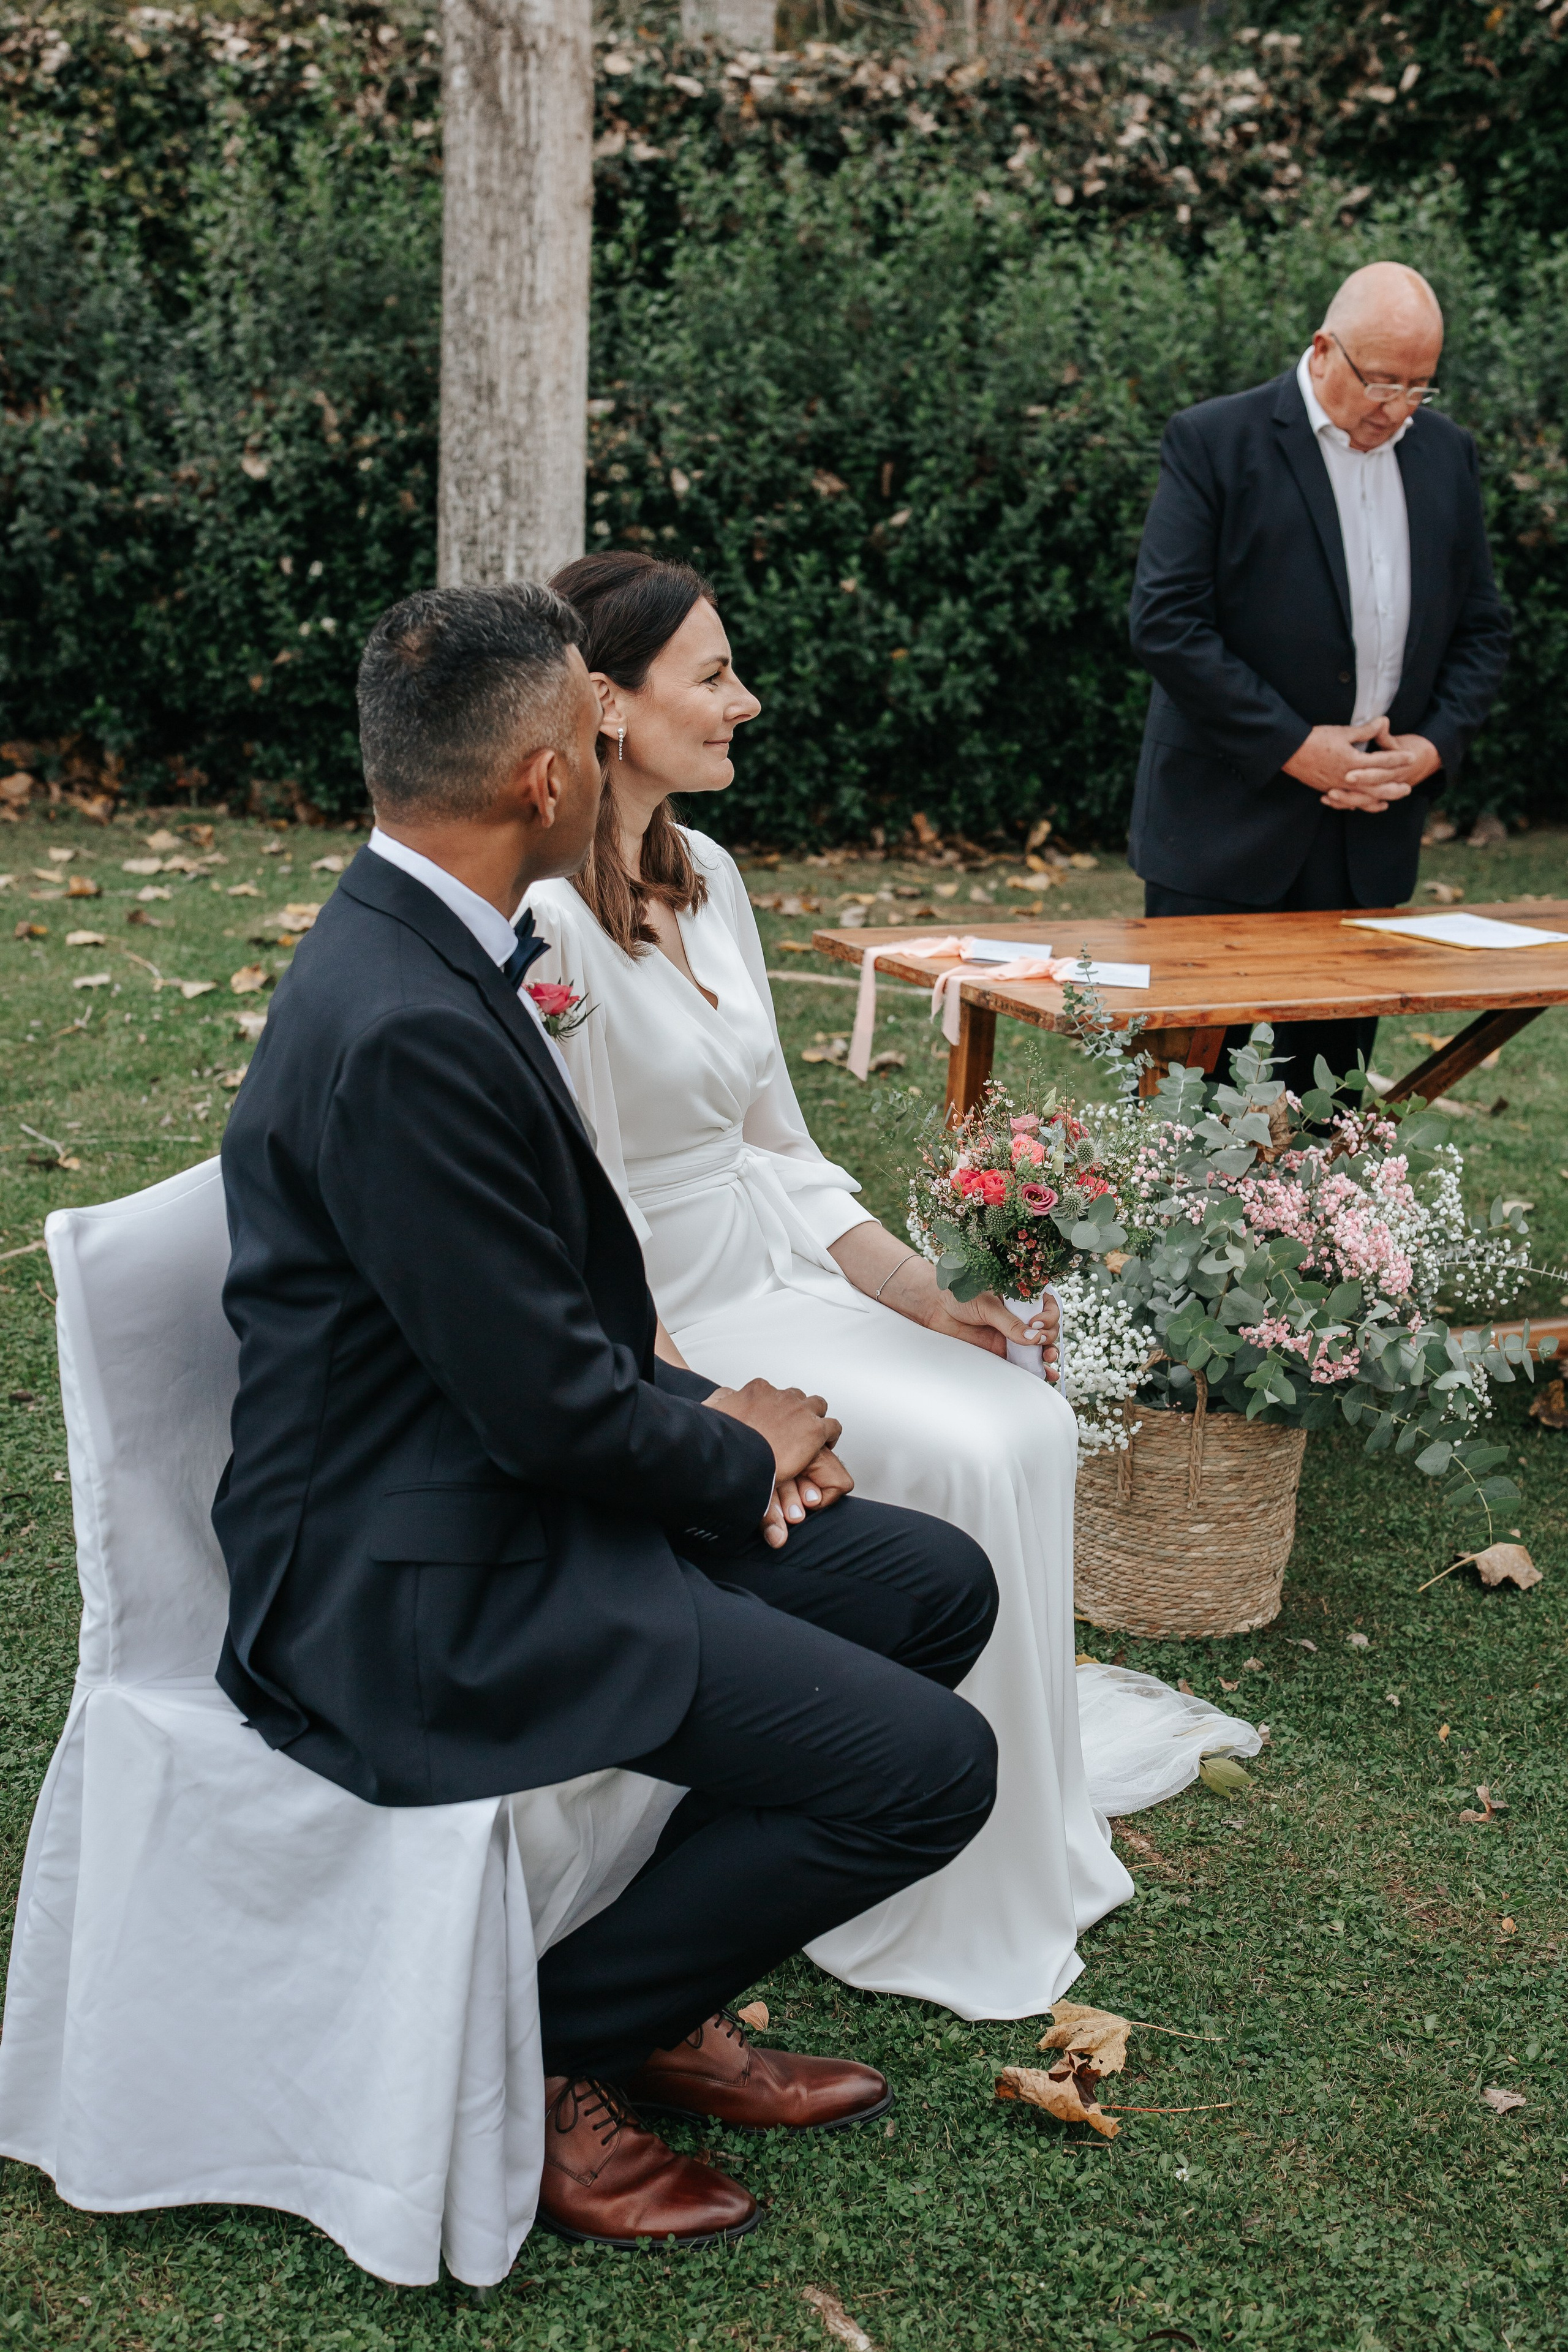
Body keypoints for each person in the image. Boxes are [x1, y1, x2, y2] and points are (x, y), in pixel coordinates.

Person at [213, 581, 1004, 2252]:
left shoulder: (438, 940)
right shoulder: (402, 1021)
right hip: (423, 1583)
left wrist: (723, 1415)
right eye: (588, 721)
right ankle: (551, 2044)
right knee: (931, 1773)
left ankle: (655, 1995)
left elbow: (542, 1332)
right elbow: (546, 1411)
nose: (600, 746)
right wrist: (741, 1448)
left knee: (935, 1586)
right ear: (546, 779)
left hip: (504, 1483)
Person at [526, 551, 1137, 2026]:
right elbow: (576, 1216)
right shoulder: (544, 920)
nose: (745, 700)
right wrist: (689, 1403)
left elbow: (779, 1147)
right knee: (970, 1450)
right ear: (605, 705)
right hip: (677, 1312)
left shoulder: (708, 871)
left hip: (777, 1261)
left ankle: (982, 1840)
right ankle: (891, 1842)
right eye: (712, 675)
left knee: (1018, 1408)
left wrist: (922, 1296)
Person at [1128, 260, 1512, 1096]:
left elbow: (1482, 628)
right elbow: (1166, 623)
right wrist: (1293, 746)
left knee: (1327, 1117)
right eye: (1382, 381)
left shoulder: (1447, 454)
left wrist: (1431, 748)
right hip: (1222, 835)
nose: (1398, 407)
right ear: (1324, 350)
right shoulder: (1215, 440)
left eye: (1420, 386)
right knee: (1192, 1119)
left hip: (1365, 839)